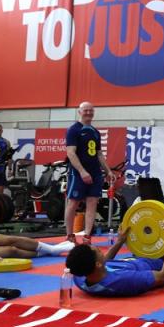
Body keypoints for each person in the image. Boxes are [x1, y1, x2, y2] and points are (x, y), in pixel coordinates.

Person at [64, 101, 114, 244]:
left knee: (92, 203)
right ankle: (69, 235)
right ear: (79, 112)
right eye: (85, 110)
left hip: (95, 173)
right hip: (78, 174)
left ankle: (87, 236)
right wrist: (82, 171)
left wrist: (108, 171)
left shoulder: (95, 132)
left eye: (91, 110)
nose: (88, 113)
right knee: (73, 203)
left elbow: (99, 154)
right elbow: (71, 153)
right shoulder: (73, 130)